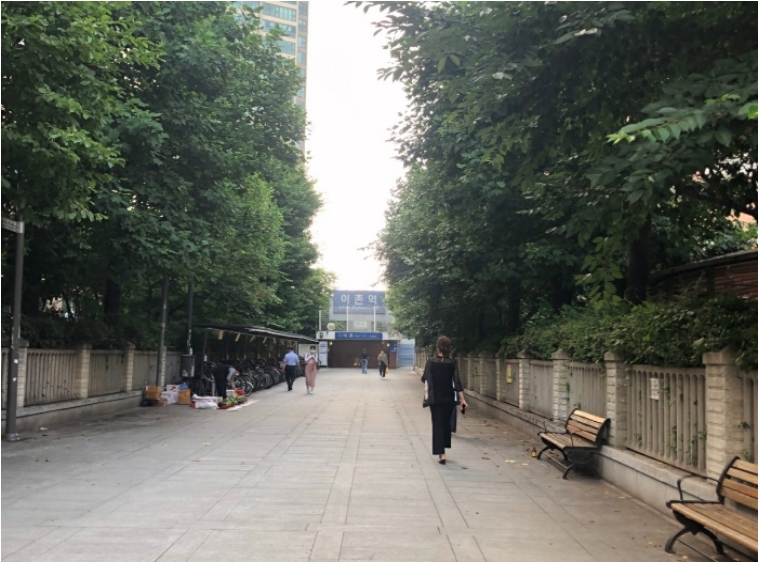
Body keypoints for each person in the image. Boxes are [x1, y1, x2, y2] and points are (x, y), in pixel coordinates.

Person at [421, 336, 467, 464]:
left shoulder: (431, 362)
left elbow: (424, 378)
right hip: (448, 399)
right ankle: (445, 445)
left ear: (438, 347)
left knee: (437, 424)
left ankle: (442, 454)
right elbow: (457, 382)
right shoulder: (452, 363)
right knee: (446, 423)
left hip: (435, 399)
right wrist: (463, 400)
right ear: (449, 348)